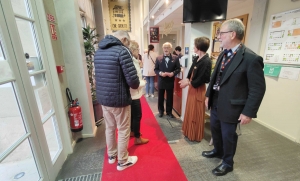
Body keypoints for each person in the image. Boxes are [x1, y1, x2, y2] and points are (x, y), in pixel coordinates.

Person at [202, 18, 266, 176]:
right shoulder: (223, 54)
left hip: (232, 106)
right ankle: (217, 151)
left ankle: (227, 162)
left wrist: (248, 112)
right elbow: (215, 77)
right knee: (215, 130)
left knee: (228, 136)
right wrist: (208, 94)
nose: (218, 36)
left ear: (232, 34)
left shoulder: (251, 59)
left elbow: (257, 88)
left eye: (221, 33)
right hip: (216, 102)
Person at [94, 30, 140, 171]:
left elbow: (97, 77)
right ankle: (123, 161)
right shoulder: (122, 51)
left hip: (104, 98)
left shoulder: (99, 51)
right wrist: (137, 84)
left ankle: (112, 156)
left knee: (110, 128)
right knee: (123, 129)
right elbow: (133, 81)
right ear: (124, 39)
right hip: (119, 99)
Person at [179, 37, 212, 142]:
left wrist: (189, 82)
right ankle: (188, 132)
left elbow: (204, 79)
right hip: (192, 88)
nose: (193, 47)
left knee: (196, 113)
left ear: (199, 47)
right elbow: (191, 72)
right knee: (190, 110)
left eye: (195, 45)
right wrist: (187, 79)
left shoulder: (207, 61)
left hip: (198, 89)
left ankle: (195, 135)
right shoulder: (196, 58)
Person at [128, 40, 149, 145]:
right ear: (133, 50)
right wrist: (143, 82)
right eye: (137, 49)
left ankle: (133, 131)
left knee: (132, 115)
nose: (138, 51)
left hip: (131, 93)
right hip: (133, 93)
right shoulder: (131, 61)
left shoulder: (131, 60)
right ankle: (137, 137)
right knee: (137, 115)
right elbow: (133, 80)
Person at [154, 42, 181, 118]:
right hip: (161, 80)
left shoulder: (175, 58)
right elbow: (155, 69)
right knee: (160, 97)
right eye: (165, 47)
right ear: (162, 49)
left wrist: (173, 73)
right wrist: (160, 73)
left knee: (170, 97)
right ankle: (161, 111)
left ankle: (169, 112)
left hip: (170, 80)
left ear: (170, 49)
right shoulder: (158, 58)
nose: (166, 49)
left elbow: (178, 69)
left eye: (168, 47)